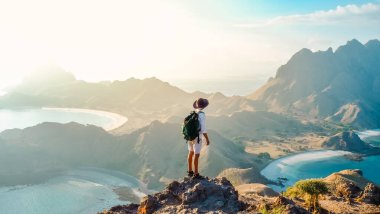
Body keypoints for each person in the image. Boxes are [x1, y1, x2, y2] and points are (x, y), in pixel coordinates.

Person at [187, 98, 210, 179]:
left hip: (189, 137)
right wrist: (207, 139)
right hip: (197, 137)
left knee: (190, 152)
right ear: (204, 106)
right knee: (197, 155)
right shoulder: (202, 115)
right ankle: (196, 173)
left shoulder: (193, 113)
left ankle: (190, 171)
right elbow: (203, 129)